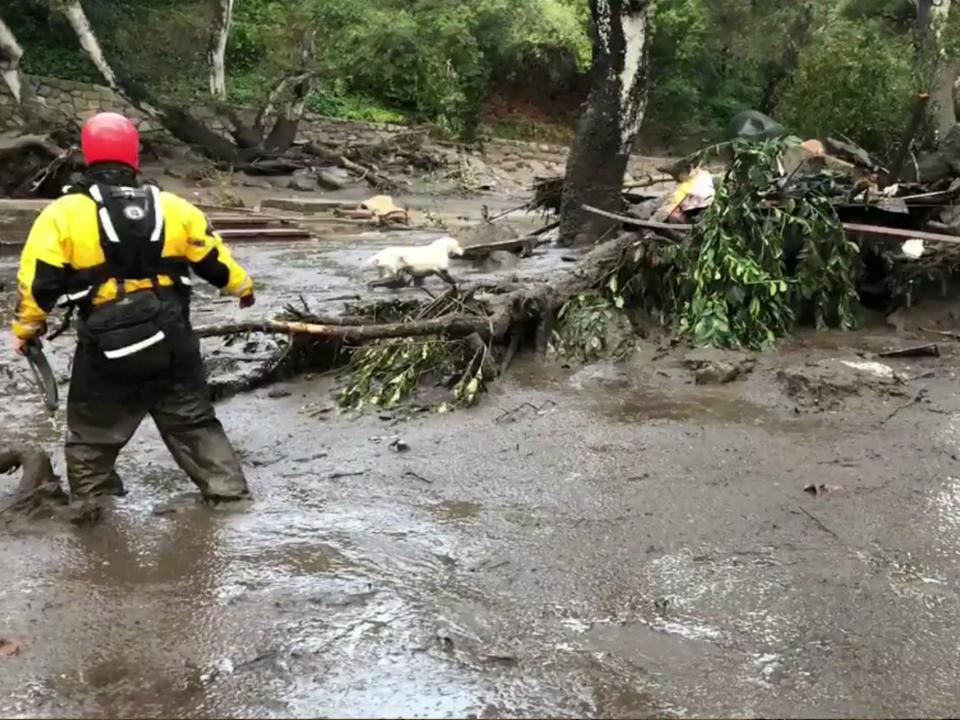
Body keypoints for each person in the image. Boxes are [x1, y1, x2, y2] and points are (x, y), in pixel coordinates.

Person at [11, 112, 254, 504]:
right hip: (172, 337)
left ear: (88, 156)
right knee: (193, 421)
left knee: (91, 434)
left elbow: (38, 283)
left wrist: (25, 331)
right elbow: (216, 261)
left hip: (107, 344)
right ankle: (229, 497)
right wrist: (243, 289)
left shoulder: (62, 214)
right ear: (134, 157)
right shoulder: (176, 208)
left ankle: (96, 508)